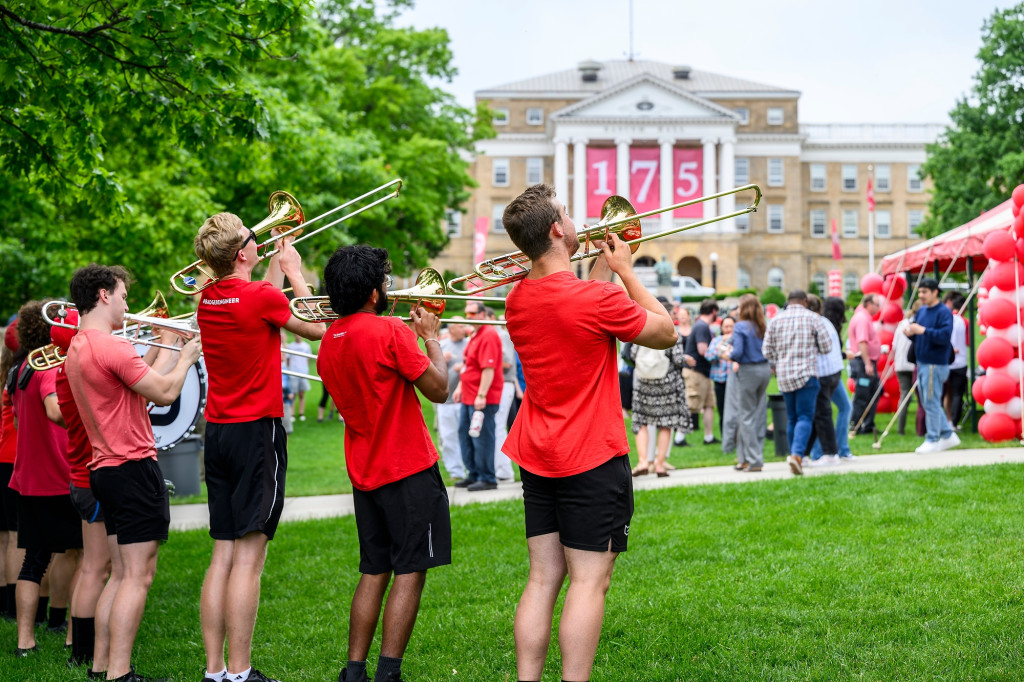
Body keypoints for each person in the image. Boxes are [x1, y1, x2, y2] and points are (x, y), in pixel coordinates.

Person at [500, 184, 677, 682]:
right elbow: (665, 331)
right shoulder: (596, 297)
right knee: (588, 581)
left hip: (538, 451)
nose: (578, 219)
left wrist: (602, 264)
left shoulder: (517, 299)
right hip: (591, 455)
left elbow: (580, 305)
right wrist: (624, 269)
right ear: (557, 229)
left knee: (542, 579)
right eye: (569, 213)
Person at [192, 213, 326, 682]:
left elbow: (255, 303)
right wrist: (293, 270)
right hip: (257, 435)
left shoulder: (206, 299)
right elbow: (316, 329)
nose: (260, 242)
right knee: (250, 558)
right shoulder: (262, 297)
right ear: (243, 253)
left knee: (222, 554)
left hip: (221, 434)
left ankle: (214, 672)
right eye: (254, 238)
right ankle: (241, 671)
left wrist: (269, 267)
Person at [316, 245, 452, 682]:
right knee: (410, 570)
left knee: (374, 569)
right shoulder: (390, 331)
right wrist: (430, 335)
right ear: (374, 294)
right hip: (408, 468)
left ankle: (353, 671)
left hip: (365, 473)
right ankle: (388, 673)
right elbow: (439, 389)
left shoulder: (329, 343)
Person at [65, 264, 201, 682]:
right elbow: (163, 393)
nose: (128, 305)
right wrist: (186, 356)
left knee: (120, 574)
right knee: (138, 577)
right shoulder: (112, 347)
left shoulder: (78, 349)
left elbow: (129, 396)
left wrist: (164, 346)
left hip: (105, 468)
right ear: (104, 295)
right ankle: (120, 673)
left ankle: (102, 666)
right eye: (123, 296)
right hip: (133, 467)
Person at [9, 299, 81, 658]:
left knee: (33, 560)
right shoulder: (48, 368)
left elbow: (21, 422)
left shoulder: (19, 368)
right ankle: (71, 635)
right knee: (82, 555)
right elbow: (54, 410)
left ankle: (25, 643)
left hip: (28, 477)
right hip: (57, 475)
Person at [51, 309, 109, 669]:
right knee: (96, 569)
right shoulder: (84, 369)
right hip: (94, 477)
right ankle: (84, 652)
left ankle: (78, 643)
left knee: (92, 566)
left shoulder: (63, 370)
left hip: (79, 476)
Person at [762, 290, 832, 476]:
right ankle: (797, 455)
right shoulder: (813, 318)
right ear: (804, 301)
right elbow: (827, 347)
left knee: (792, 418)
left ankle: (795, 455)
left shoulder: (776, 320)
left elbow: (766, 352)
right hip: (807, 374)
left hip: (784, 376)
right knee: (805, 417)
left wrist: (781, 356)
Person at [628, 302, 691, 477]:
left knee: (641, 422)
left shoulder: (643, 330)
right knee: (665, 424)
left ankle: (642, 462)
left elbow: (632, 354)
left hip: (644, 382)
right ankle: (660, 464)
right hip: (666, 383)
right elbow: (678, 359)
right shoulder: (671, 332)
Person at [903, 278, 960, 454]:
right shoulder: (922, 311)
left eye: (924, 292)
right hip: (922, 362)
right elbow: (920, 336)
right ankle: (947, 435)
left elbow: (944, 337)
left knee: (931, 401)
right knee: (929, 401)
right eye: (919, 292)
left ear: (935, 292)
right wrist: (911, 334)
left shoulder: (944, 312)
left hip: (934, 364)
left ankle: (933, 438)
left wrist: (923, 330)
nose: (921, 295)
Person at [453, 301, 503, 492]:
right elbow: (468, 365)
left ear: (482, 314)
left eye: (473, 314)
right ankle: (474, 474)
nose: (469, 317)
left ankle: (487, 477)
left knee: (481, 437)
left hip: (482, 399)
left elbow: (488, 368)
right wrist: (460, 387)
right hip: (469, 395)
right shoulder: (475, 334)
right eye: (467, 313)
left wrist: (481, 394)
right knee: (465, 435)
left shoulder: (488, 334)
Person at [807, 297, 855, 462]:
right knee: (821, 413)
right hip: (824, 373)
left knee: (843, 407)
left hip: (832, 372)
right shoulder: (820, 323)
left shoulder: (825, 323)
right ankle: (819, 452)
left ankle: (841, 449)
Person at [728, 294, 771, 472]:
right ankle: (744, 458)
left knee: (745, 417)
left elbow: (737, 353)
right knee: (754, 414)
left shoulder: (740, 327)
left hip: (748, 371)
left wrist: (727, 355)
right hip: (765, 370)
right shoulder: (762, 326)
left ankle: (754, 460)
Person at [805, 295, 843, 466]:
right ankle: (803, 453)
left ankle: (830, 453)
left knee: (821, 413)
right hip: (833, 371)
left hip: (823, 373)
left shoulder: (815, 323)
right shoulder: (824, 321)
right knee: (815, 414)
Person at [0, 323, 21, 623]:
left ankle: (4, 603)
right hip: (16, 459)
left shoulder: (6, 375)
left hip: (2, 458)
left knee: (4, 538)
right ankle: (15, 608)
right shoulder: (24, 374)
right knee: (18, 538)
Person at [683, 299, 720, 445]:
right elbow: (702, 350)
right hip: (695, 372)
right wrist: (719, 353)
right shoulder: (702, 326)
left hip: (704, 373)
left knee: (709, 404)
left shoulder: (701, 325)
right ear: (714, 311)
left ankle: (708, 437)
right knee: (692, 404)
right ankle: (679, 438)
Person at [437, 319, 469, 480]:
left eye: (464, 325)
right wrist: (443, 360)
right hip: (446, 400)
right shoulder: (442, 346)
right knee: (449, 437)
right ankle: (455, 471)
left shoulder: (469, 343)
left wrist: (464, 367)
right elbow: (430, 367)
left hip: (465, 399)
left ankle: (470, 469)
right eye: (461, 326)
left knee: (467, 436)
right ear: (451, 329)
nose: (465, 329)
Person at [848, 293, 881, 435]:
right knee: (862, 395)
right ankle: (855, 425)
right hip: (863, 363)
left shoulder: (864, 318)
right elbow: (862, 342)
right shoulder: (862, 319)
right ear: (869, 304)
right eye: (876, 304)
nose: (878, 308)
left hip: (865, 362)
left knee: (873, 392)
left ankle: (867, 424)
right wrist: (867, 363)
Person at [491, 309, 517, 481]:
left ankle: (504, 471)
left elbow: (507, 363)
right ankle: (499, 469)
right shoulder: (497, 335)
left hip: (503, 384)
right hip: (501, 385)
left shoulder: (499, 335)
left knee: (499, 427)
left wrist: (484, 365)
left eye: (472, 314)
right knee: (497, 427)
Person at [891, 302, 921, 436]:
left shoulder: (902, 324)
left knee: (904, 395)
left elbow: (894, 346)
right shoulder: (918, 325)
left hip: (900, 364)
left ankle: (900, 428)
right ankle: (921, 429)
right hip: (914, 364)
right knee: (920, 397)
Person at [943, 292, 968, 430]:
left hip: (947, 361)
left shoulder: (945, 319)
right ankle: (954, 422)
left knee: (948, 393)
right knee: (958, 394)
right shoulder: (963, 321)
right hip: (960, 362)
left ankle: (948, 420)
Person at [705, 316, 735, 434]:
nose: (728, 329)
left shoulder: (738, 339)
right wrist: (722, 344)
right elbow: (709, 356)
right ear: (721, 328)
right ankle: (725, 437)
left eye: (731, 326)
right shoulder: (716, 340)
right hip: (720, 380)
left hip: (735, 379)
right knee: (722, 409)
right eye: (726, 326)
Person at [285, 333, 313, 421]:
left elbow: (308, 359)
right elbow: (288, 359)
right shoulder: (290, 346)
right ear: (294, 335)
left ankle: (301, 413)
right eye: (296, 335)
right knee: (293, 394)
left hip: (303, 372)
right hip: (293, 372)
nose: (297, 336)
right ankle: (292, 414)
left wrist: (306, 370)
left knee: (302, 394)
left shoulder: (306, 346)